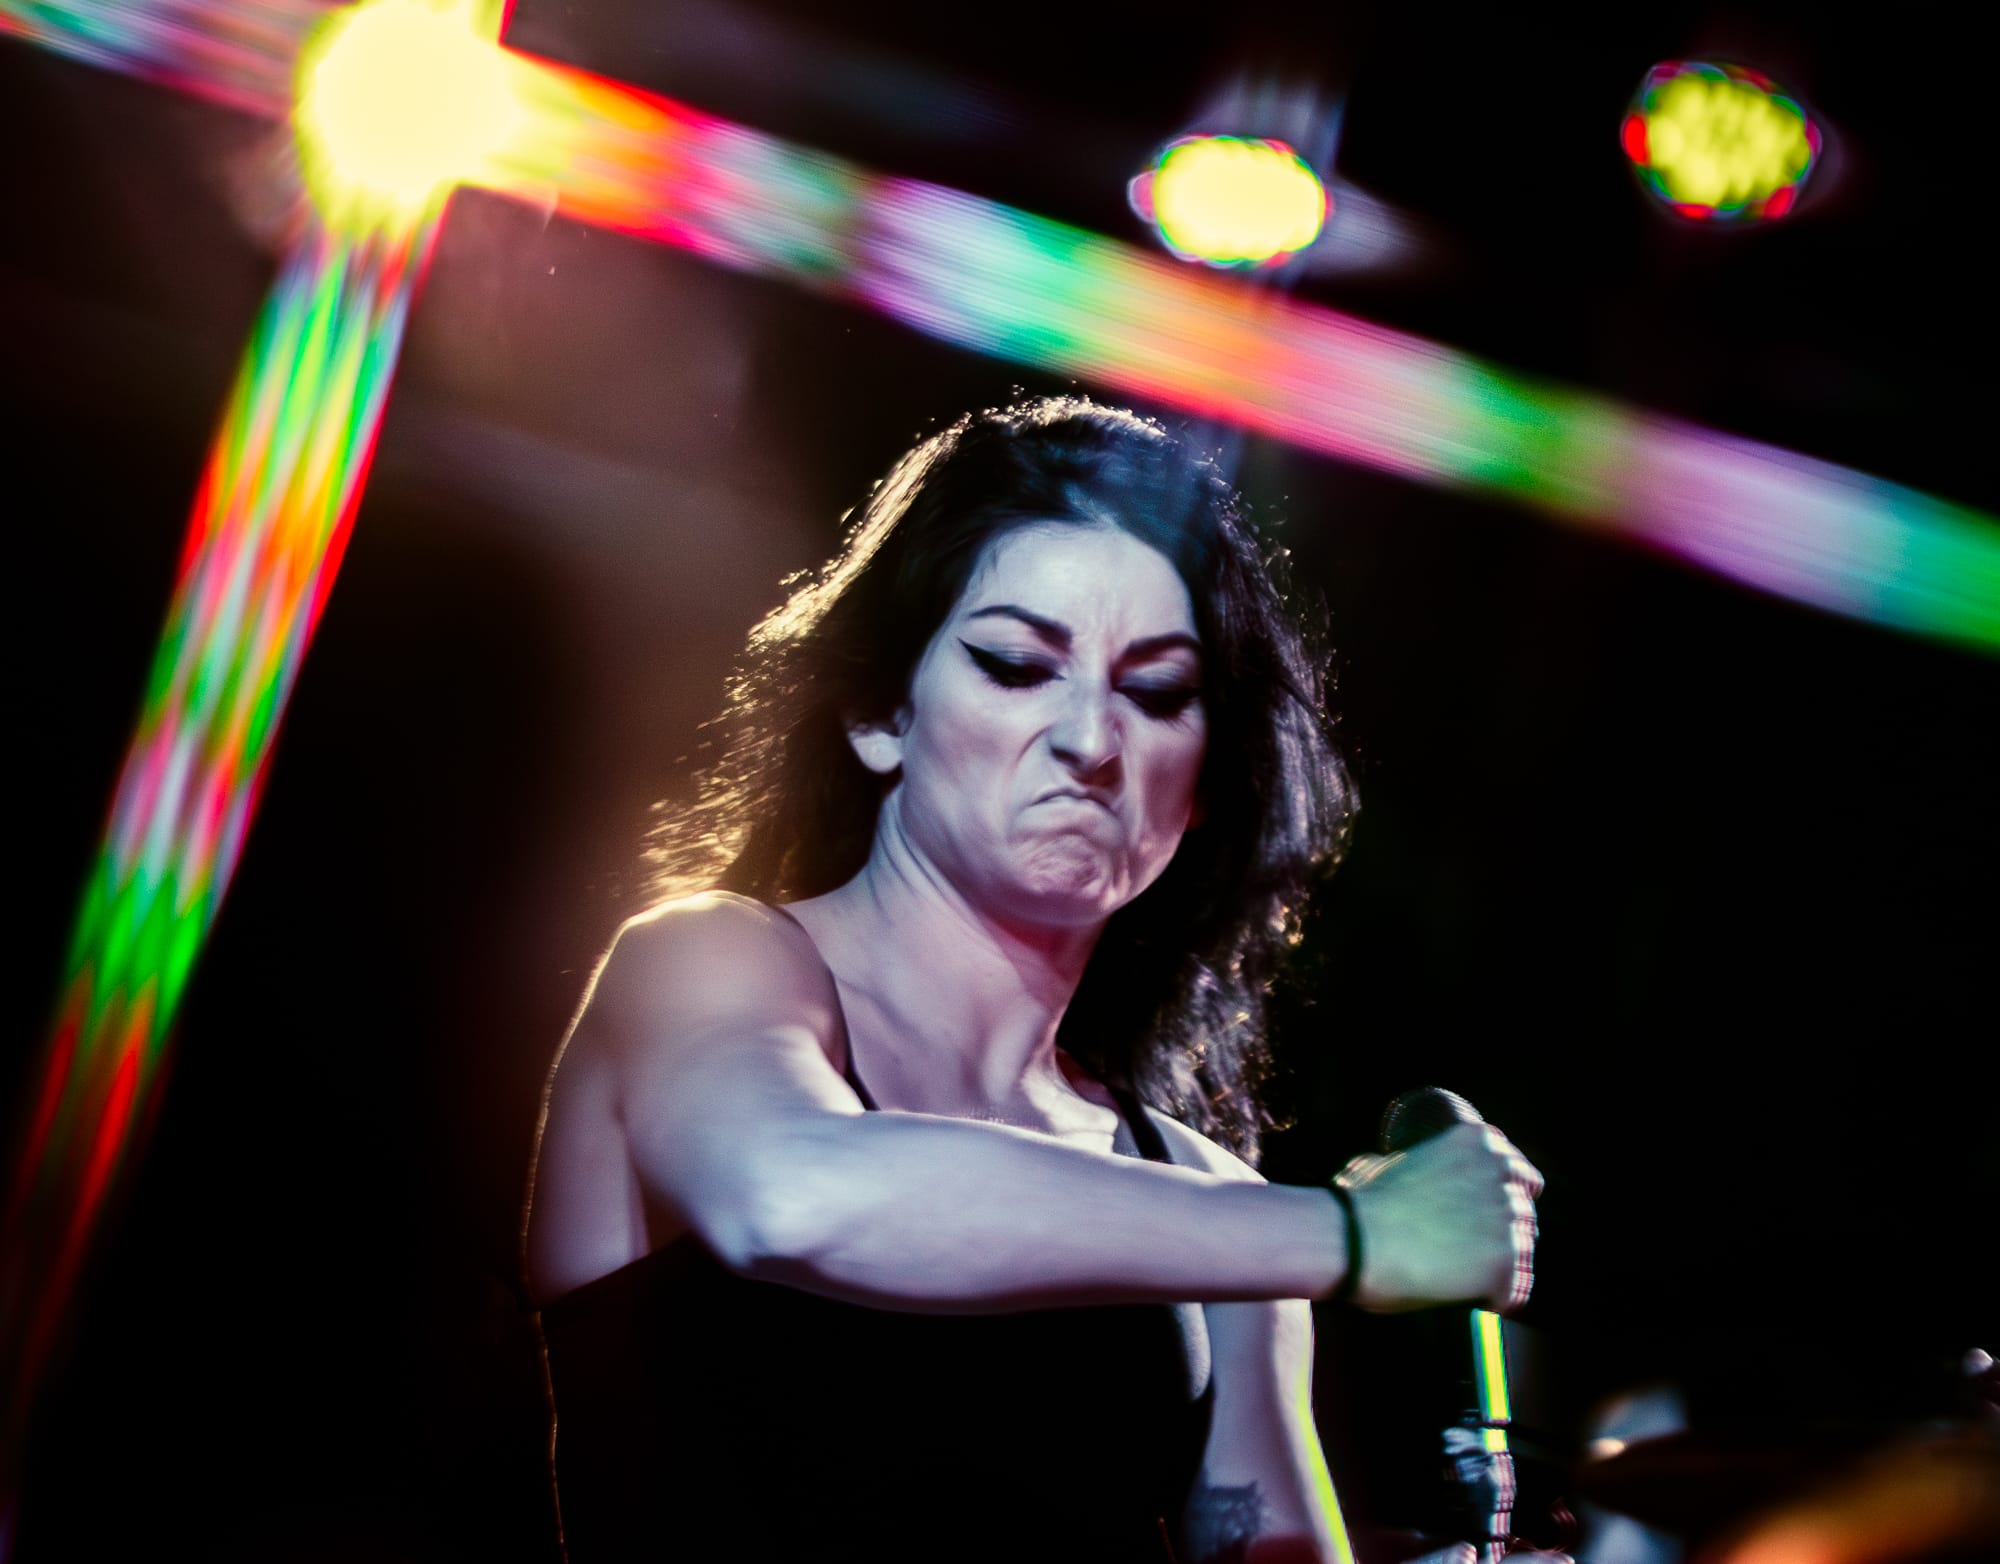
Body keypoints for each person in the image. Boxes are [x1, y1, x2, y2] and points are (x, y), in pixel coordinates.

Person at [522, 396, 1544, 1564]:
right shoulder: (701, 962)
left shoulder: (1209, 1200)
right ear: (879, 711)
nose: (1090, 742)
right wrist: (1349, 1235)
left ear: (1203, 784)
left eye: (1155, 693)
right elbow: (789, 1195)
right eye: (1015, 667)